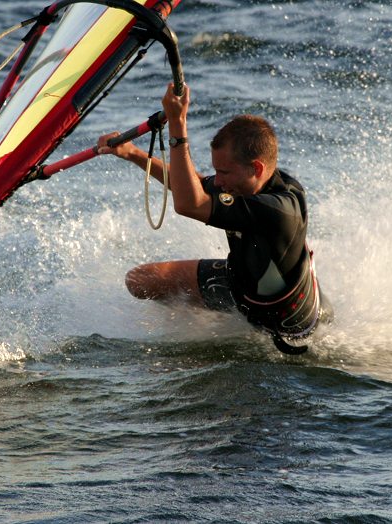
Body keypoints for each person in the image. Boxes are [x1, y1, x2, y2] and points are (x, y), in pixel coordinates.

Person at [97, 83, 332, 354]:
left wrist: (177, 123)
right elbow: (194, 185)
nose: (218, 181)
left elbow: (189, 203)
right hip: (241, 284)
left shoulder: (277, 210)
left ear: (256, 168)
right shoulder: (249, 182)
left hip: (287, 323)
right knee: (139, 281)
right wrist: (133, 154)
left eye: (224, 172)